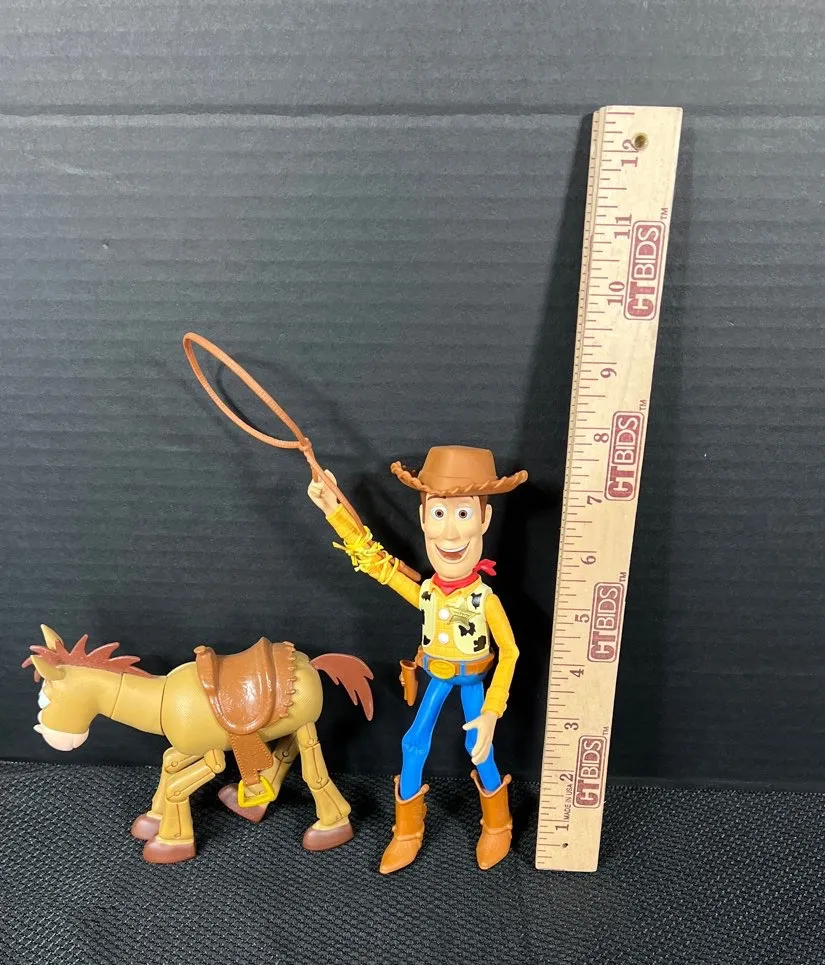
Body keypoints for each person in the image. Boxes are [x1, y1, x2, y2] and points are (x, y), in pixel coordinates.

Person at [308, 445, 526, 873]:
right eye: (439, 514)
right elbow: (378, 565)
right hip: (437, 676)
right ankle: (407, 830)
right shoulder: (426, 591)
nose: (450, 533)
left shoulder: (484, 598)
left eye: (463, 514)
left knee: (478, 747)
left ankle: (498, 823)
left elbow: (511, 651)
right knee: (412, 742)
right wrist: (334, 510)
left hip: (473, 680)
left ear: (484, 519)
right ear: (423, 518)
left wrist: (492, 711)